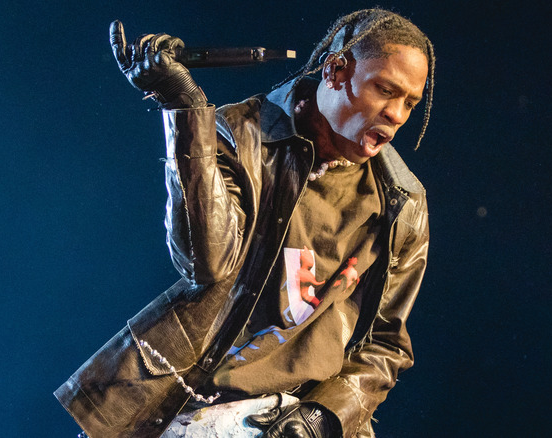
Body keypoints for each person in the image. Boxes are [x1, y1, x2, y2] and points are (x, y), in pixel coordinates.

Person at [55, 8, 435, 438]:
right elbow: (207, 263)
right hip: (188, 404)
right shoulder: (239, 135)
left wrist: (322, 418)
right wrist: (185, 109)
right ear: (335, 70)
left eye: (410, 102)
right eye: (386, 90)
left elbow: (385, 344)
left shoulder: (402, 203)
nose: (398, 114)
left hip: (302, 414)